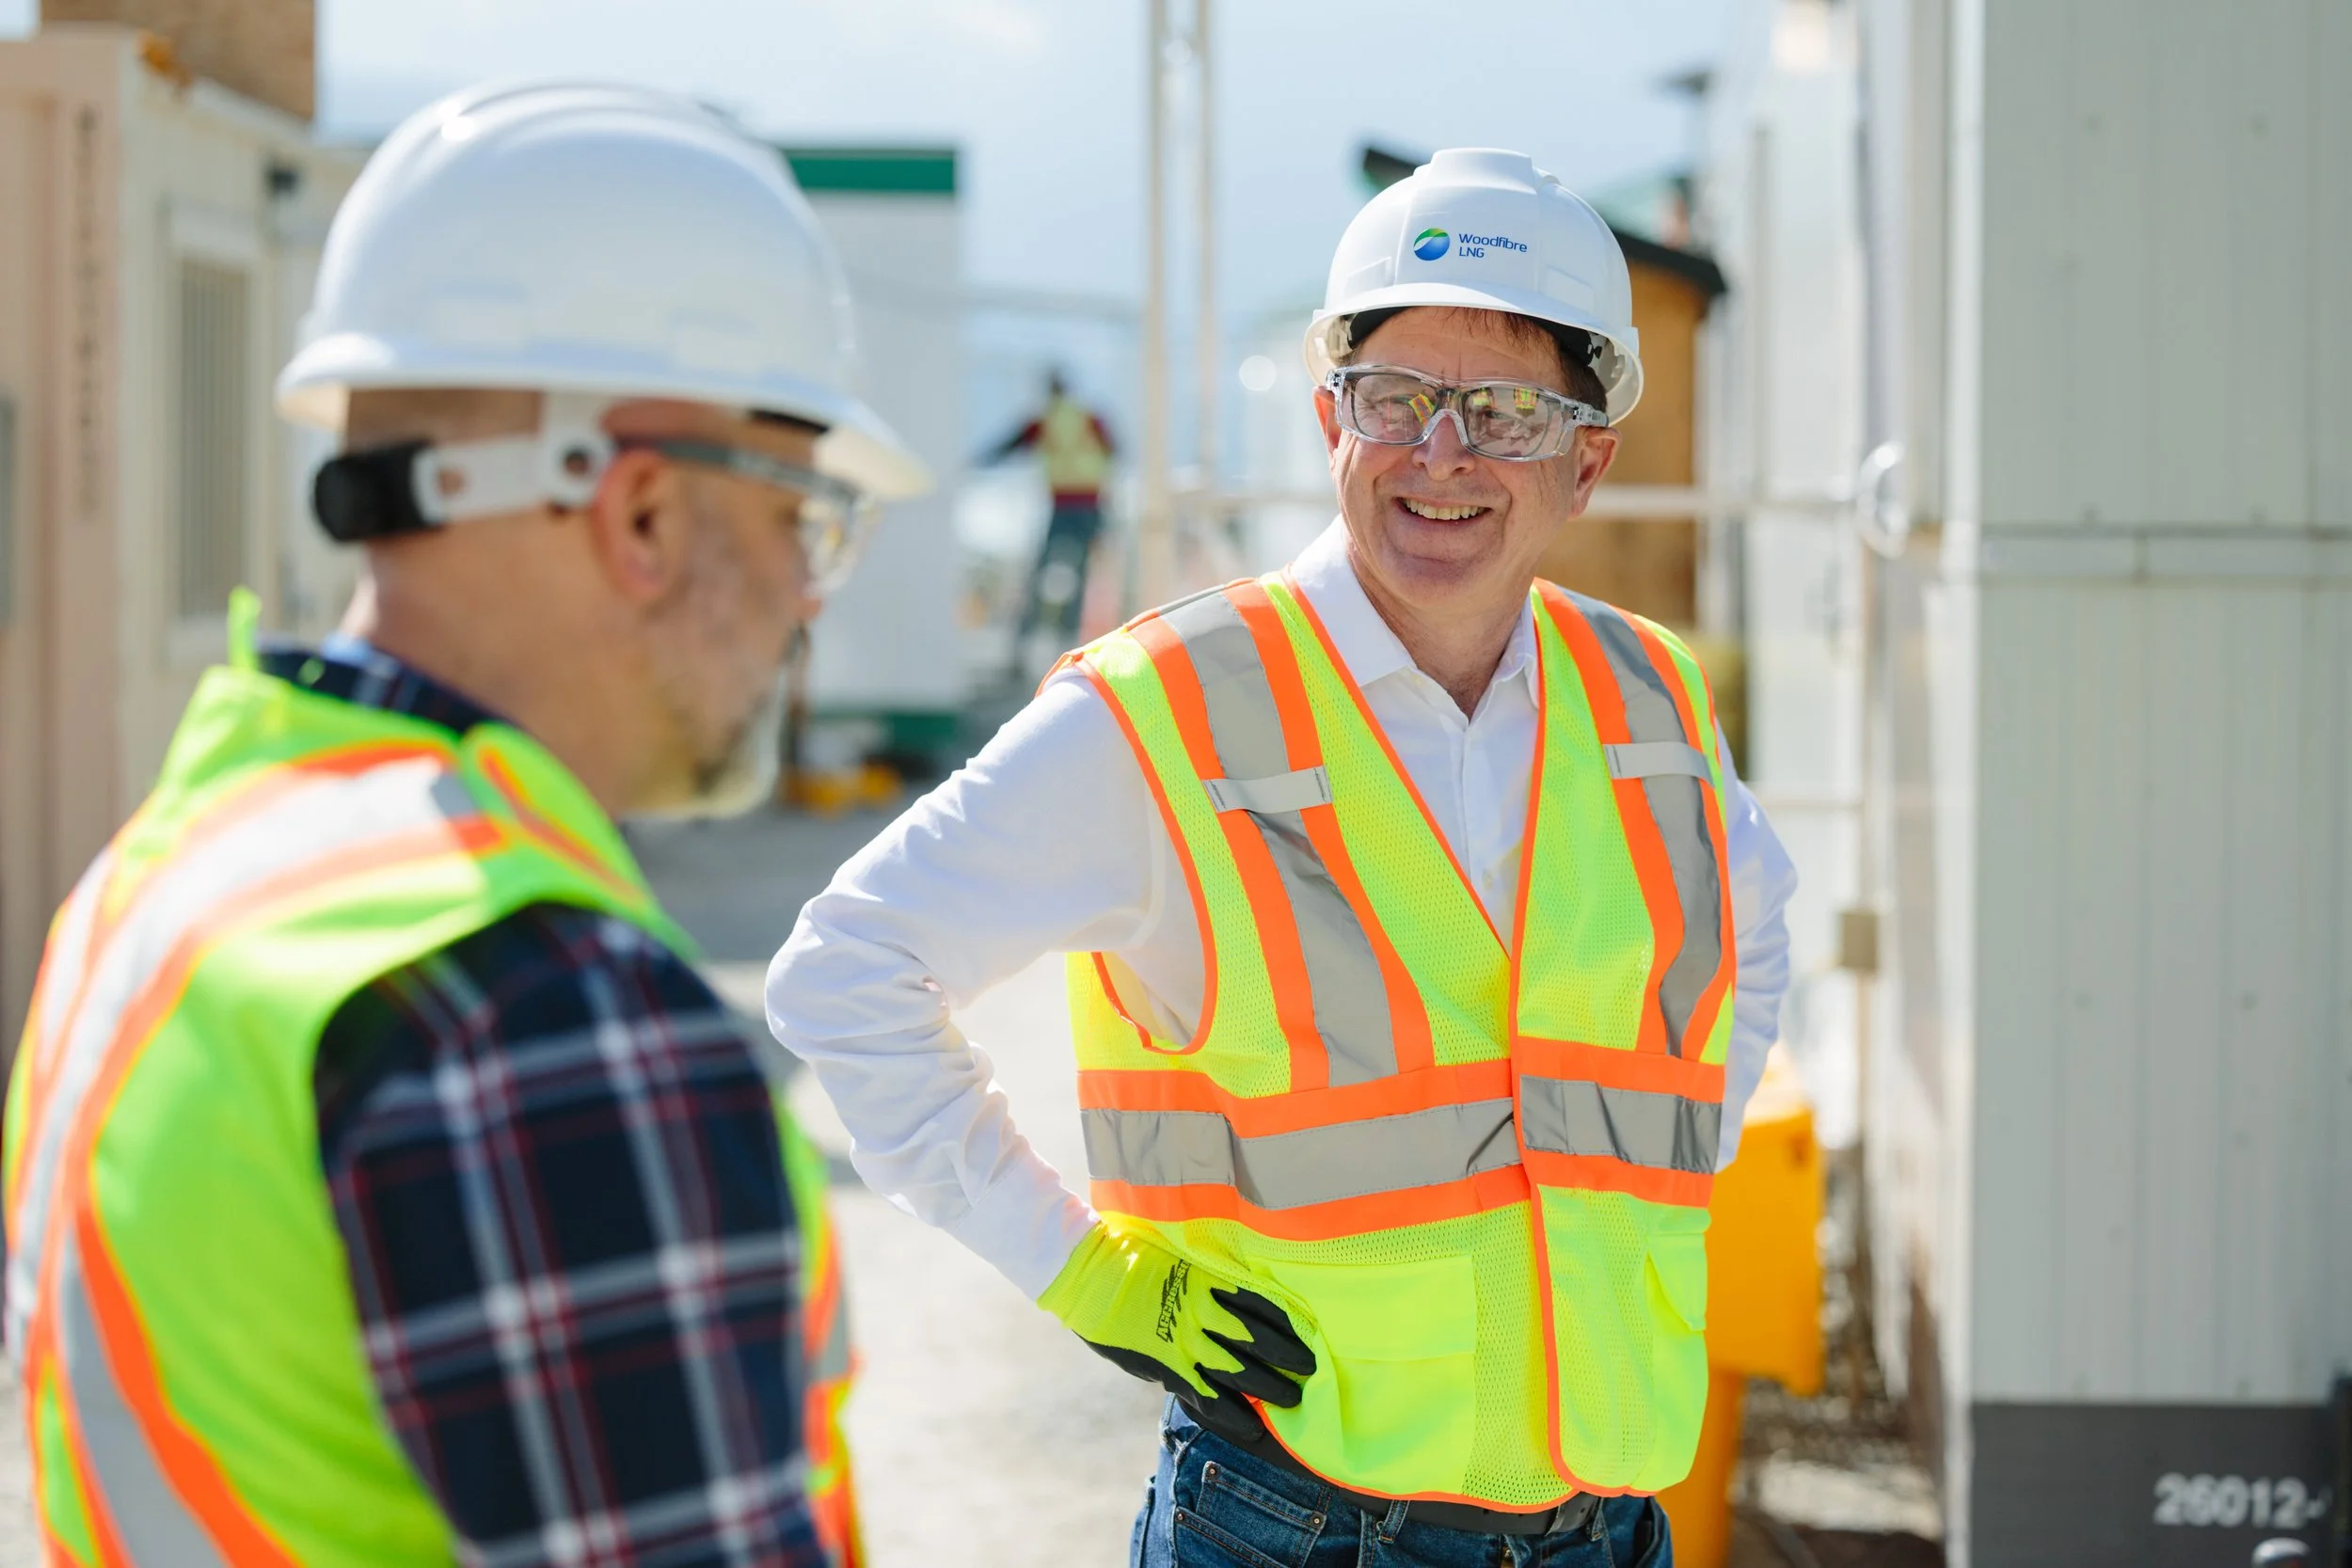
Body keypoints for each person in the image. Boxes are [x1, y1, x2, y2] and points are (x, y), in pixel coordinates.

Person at [768, 148, 1798, 1567]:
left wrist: (1639, 1208)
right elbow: (844, 972)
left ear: (1589, 459)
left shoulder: (1653, 701)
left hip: (1602, 1523)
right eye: (1397, 400)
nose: (1443, 452)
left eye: (1503, 411)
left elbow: (1753, 951)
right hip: (1300, 1522)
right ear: (1331, 415)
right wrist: (1081, 1272)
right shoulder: (1168, 709)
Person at [3, 82, 927, 1567]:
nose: (810, 599)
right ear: (638, 517)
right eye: (801, 523)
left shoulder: (172, 868)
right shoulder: (536, 1004)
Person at [982, 367, 1118, 657]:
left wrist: (979, 461)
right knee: (1079, 576)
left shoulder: (1047, 419)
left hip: (1063, 505)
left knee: (1040, 574)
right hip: (1090, 506)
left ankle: (1022, 646)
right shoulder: (1088, 417)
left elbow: (1012, 443)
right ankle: (1070, 642)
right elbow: (1113, 451)